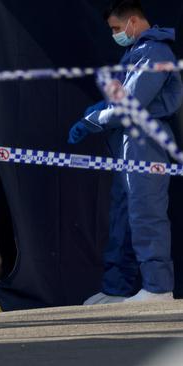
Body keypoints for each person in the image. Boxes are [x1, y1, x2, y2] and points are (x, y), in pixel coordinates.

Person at [68, 0, 182, 304]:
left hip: (145, 139)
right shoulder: (135, 54)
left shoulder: (155, 52)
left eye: (117, 28)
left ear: (133, 21)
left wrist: (91, 120)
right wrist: (100, 110)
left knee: (146, 212)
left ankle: (158, 289)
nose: (115, 34)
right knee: (123, 215)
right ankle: (117, 288)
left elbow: (130, 105)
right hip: (128, 142)